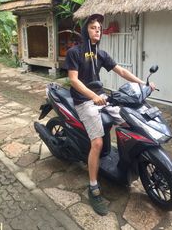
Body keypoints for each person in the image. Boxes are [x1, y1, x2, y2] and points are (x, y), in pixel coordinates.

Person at [64, 14, 155, 216]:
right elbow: (74, 80)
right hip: (84, 101)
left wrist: (143, 84)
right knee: (96, 143)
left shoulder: (100, 53)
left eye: (99, 28)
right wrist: (92, 96)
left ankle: (125, 162)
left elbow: (120, 71)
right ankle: (93, 185)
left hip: (102, 98)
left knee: (130, 122)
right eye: (93, 27)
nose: (98, 30)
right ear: (85, 31)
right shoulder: (75, 52)